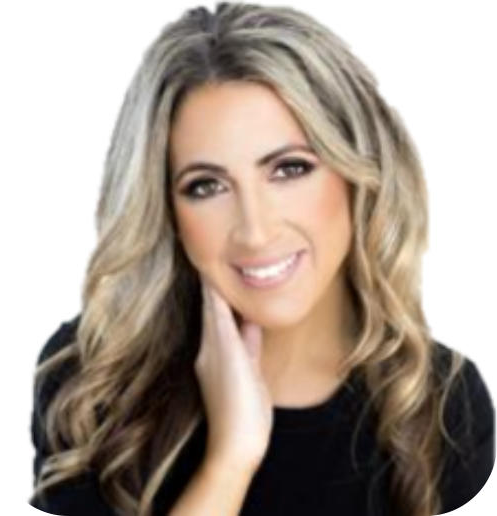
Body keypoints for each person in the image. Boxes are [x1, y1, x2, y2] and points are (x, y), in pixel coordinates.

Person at [29, 2, 495, 515]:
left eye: (289, 169)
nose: (255, 232)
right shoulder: (91, 385)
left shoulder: (443, 408)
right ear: (166, 210)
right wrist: (230, 459)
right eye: (206, 186)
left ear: (361, 174)